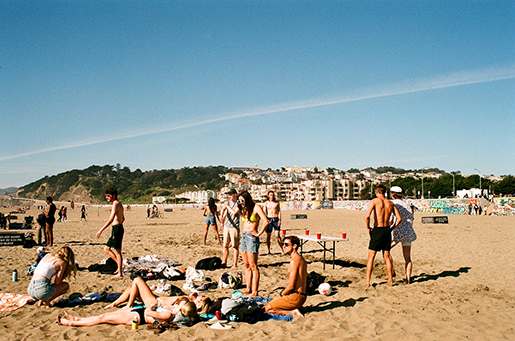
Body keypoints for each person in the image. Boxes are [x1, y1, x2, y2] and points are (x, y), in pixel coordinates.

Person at [364, 184, 402, 287]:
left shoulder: (375, 201)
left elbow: (367, 216)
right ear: (385, 192)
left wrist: (368, 227)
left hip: (378, 229)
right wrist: (392, 227)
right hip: (387, 230)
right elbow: (399, 218)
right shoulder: (390, 203)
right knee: (387, 257)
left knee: (371, 256)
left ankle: (367, 281)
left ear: (377, 192)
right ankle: (390, 280)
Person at [57, 300, 199, 327]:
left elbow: (150, 312)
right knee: (106, 316)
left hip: (138, 317)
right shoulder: (174, 311)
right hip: (138, 312)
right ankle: (78, 318)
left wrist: (154, 305)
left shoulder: (170, 315)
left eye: (183, 302)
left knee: (103, 318)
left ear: (184, 307)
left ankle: (71, 322)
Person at [264, 236, 307, 317]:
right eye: (283, 244)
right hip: (302, 296)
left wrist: (280, 295)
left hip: (296, 297)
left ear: (294, 246)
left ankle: (293, 312)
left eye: (287, 244)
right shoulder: (301, 259)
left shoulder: (294, 261)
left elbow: (291, 286)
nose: (284, 246)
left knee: (267, 308)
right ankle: (294, 307)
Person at [236, 190, 269, 296]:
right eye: (239, 200)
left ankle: (255, 290)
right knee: (246, 265)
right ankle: (248, 288)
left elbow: (266, 221)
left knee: (253, 265)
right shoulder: (244, 209)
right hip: (244, 236)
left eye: (242, 200)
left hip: (251, 237)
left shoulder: (256, 207)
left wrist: (259, 233)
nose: (241, 202)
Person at [389, 186, 417, 284]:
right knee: (407, 258)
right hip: (408, 232)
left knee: (386, 251)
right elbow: (411, 218)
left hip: (396, 231)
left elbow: (392, 218)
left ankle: (391, 272)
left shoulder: (392, 204)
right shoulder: (407, 205)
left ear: (393, 194)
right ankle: (408, 279)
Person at [96, 188, 125, 278]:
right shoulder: (119, 204)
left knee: (117, 251)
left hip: (116, 228)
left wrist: (101, 229)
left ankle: (120, 272)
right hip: (118, 228)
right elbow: (123, 219)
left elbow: (111, 218)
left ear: (113, 195)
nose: (107, 198)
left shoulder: (115, 204)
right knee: (107, 249)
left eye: (108, 196)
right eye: (106, 196)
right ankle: (119, 267)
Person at [219, 188, 240, 269]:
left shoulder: (238, 203)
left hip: (234, 227)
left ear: (235, 194)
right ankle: (224, 262)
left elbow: (234, 213)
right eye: (228, 195)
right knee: (225, 246)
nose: (229, 196)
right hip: (226, 226)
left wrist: (227, 207)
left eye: (231, 194)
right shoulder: (227, 202)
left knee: (235, 246)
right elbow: (223, 210)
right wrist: (222, 219)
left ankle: (235, 264)